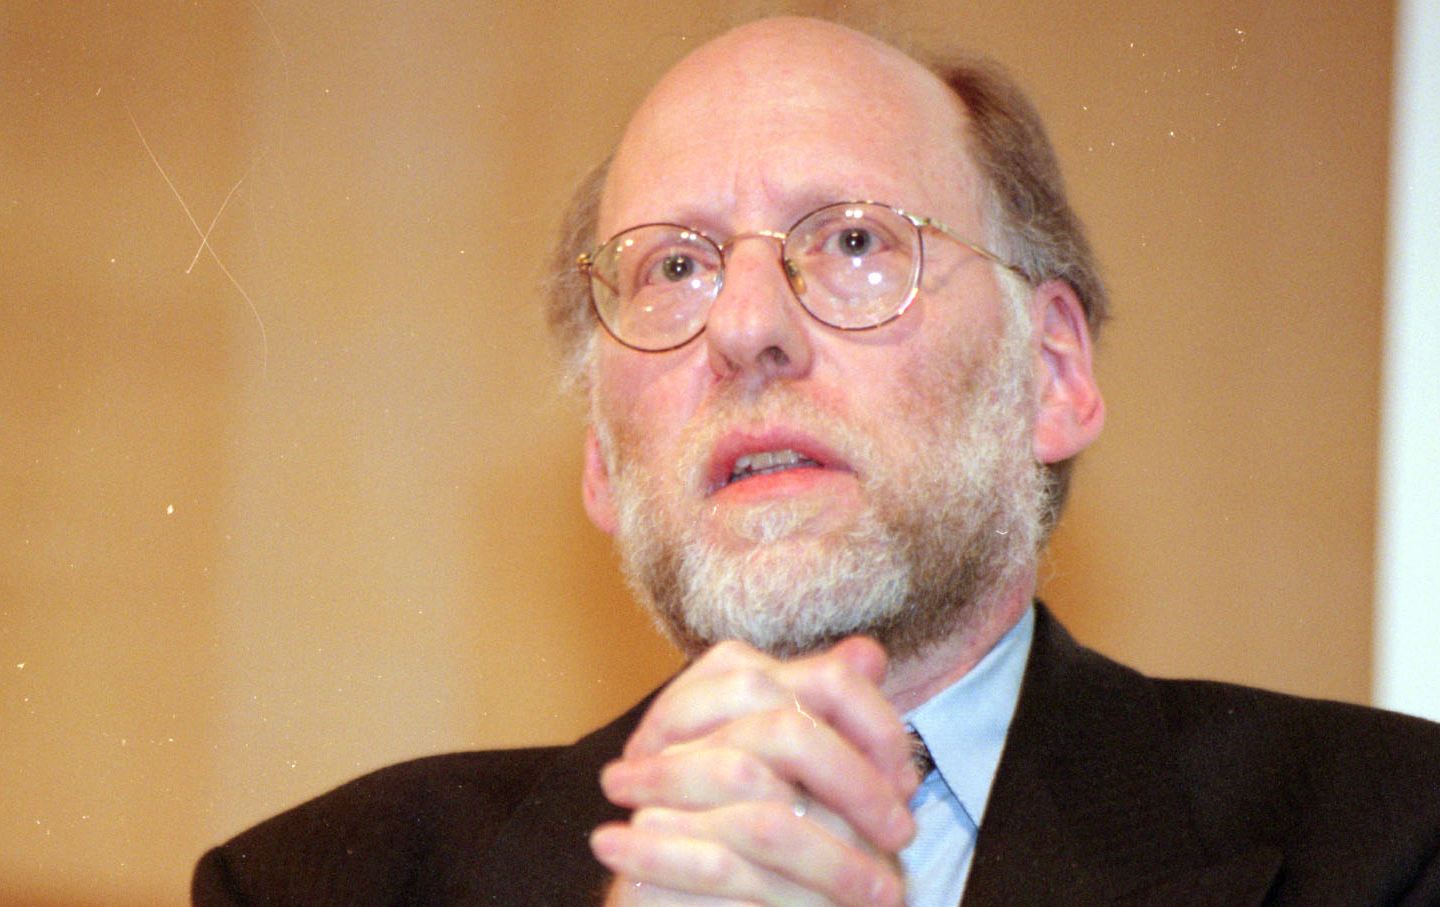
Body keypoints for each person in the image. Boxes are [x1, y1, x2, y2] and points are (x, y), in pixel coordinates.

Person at [192, 16, 1440, 907]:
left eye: (851, 240)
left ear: (1052, 373)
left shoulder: (1389, 837)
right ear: (601, 456)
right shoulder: (315, 883)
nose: (745, 328)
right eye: (673, 266)